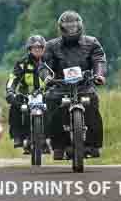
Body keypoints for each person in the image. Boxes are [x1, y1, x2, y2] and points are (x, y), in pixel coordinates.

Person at [39, 11, 106, 160]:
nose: (71, 29)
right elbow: (43, 65)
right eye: (67, 26)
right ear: (61, 27)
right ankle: (58, 145)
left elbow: (99, 59)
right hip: (60, 86)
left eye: (74, 25)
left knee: (92, 102)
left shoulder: (92, 42)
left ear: (80, 25)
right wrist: (47, 77)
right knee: (51, 102)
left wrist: (99, 75)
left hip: (84, 85)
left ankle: (93, 144)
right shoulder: (51, 45)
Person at [5, 34, 46, 150]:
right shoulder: (22, 63)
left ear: (44, 49)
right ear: (29, 49)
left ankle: (55, 140)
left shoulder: (50, 62)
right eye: (34, 47)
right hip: (26, 95)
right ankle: (18, 136)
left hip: (46, 95)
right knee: (15, 105)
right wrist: (10, 91)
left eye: (40, 47)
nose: (37, 49)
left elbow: (58, 75)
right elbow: (13, 78)